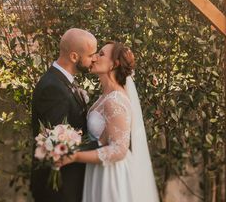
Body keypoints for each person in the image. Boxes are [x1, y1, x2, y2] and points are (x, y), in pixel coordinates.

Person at [58, 42, 159, 202]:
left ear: (115, 64)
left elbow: (119, 150)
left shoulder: (115, 100)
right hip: (99, 170)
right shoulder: (105, 96)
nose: (94, 57)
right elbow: (103, 139)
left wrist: (75, 156)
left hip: (112, 175)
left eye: (101, 54)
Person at [30, 28, 98, 202]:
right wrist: (102, 145)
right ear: (74, 57)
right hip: (59, 187)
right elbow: (57, 144)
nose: (94, 59)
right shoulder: (53, 88)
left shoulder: (63, 81)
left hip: (69, 182)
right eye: (91, 55)